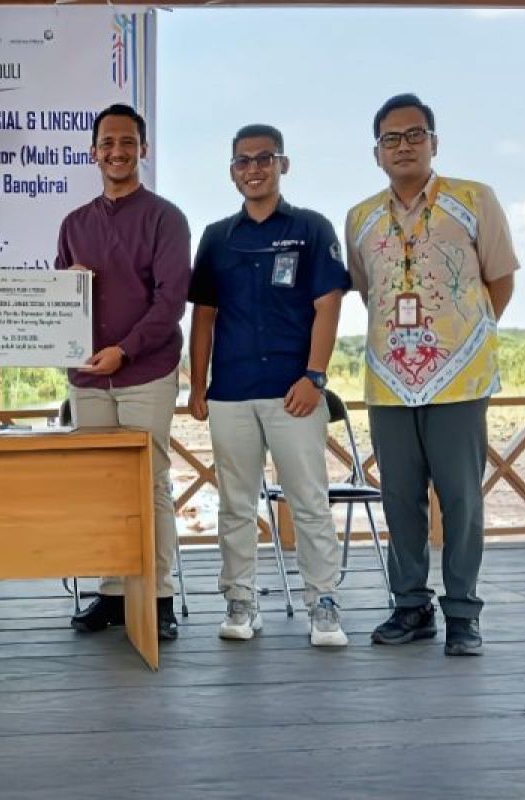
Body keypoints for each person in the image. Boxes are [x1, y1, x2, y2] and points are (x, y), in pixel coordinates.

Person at [345, 94, 519, 656]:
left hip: (460, 379)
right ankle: (411, 606)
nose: (403, 146)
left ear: (434, 142)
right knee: (399, 497)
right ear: (376, 153)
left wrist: (460, 339)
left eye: (414, 135)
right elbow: (368, 290)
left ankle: (464, 613)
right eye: (391, 139)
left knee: (462, 498)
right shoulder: (361, 217)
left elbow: (499, 281)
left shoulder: (473, 200)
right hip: (390, 381)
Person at [188, 125, 351, 647]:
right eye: (242, 161)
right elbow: (204, 319)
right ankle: (240, 600)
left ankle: (322, 603)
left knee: (308, 499)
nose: (253, 169)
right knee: (236, 503)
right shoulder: (217, 236)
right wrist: (197, 386)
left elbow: (328, 307)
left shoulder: (310, 227)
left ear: (284, 164)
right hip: (231, 390)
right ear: (232, 171)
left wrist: (315, 377)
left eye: (264, 159)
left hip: (293, 391)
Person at [56, 103, 191, 641]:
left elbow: (171, 302)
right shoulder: (73, 224)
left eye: (127, 142)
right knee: (105, 487)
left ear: (143, 149)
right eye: (107, 143)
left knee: (149, 483)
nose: (117, 151)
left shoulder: (165, 218)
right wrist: (70, 285)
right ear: (93, 152)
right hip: (88, 376)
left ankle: (157, 598)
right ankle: (113, 594)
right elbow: (59, 302)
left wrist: (125, 351)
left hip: (146, 372)